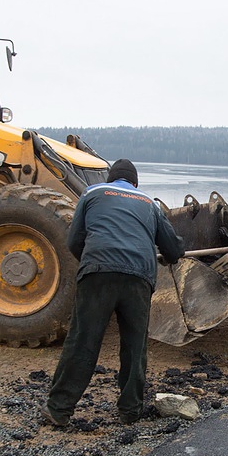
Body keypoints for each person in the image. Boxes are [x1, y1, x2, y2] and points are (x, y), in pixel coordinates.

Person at [41, 159, 185, 427]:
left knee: (83, 340)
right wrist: (172, 252)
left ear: (110, 179)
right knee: (134, 345)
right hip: (138, 278)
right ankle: (130, 411)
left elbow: (74, 240)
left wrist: (93, 262)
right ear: (135, 183)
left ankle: (59, 409)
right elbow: (173, 250)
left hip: (97, 274)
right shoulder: (149, 204)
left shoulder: (92, 193)